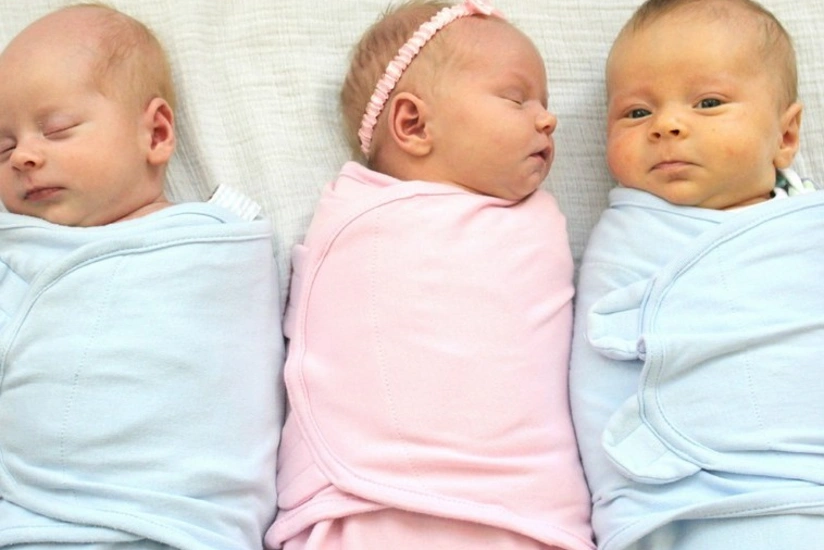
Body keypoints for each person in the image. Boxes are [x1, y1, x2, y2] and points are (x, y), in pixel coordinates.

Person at [266, 1, 594, 549]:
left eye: (545, 103)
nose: (547, 119)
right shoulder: (362, 217)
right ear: (413, 124)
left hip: (524, 509)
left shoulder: (537, 225)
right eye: (517, 98)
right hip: (370, 505)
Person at [0, 5, 283, 549]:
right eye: (3, 147)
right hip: (57, 527)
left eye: (56, 129)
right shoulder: (23, 251)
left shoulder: (225, 242)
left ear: (155, 133)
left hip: (200, 527)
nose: (23, 157)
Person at [569, 0, 824, 548]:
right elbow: (595, 389)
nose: (667, 125)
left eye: (708, 103)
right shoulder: (628, 240)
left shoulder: (808, 228)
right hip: (684, 507)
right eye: (636, 113)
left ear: (785, 136)